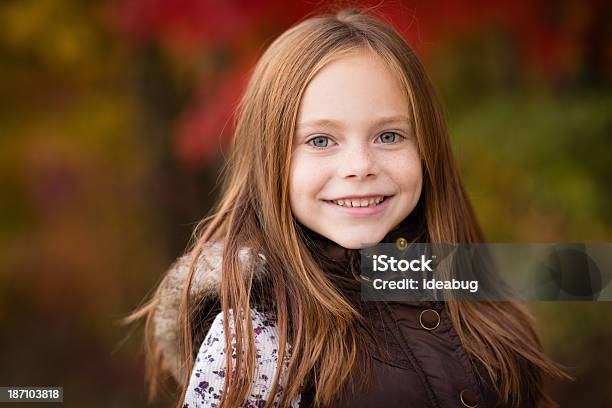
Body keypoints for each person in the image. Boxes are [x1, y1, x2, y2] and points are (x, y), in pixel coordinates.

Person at [124, 7, 569, 408]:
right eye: (321, 140)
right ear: (270, 162)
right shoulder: (254, 335)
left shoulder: (473, 286)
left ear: (427, 147)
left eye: (389, 135)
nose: (360, 166)